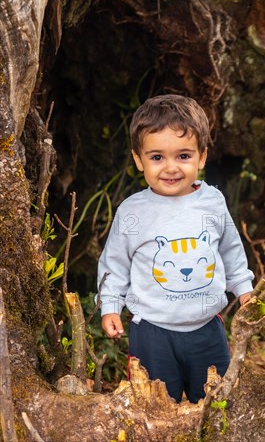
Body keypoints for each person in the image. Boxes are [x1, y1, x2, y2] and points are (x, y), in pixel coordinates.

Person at [97, 94, 254, 403]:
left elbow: (231, 251)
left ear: (202, 157)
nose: (170, 168)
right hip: (151, 332)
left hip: (207, 328)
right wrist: (110, 306)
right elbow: (115, 264)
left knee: (217, 402)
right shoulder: (132, 211)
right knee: (155, 405)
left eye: (183, 156)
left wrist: (244, 289)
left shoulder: (212, 202)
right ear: (139, 159)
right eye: (157, 157)